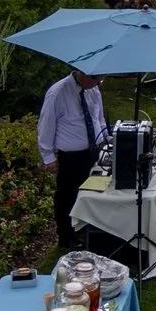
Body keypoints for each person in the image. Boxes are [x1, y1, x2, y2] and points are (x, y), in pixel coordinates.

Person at [38, 68, 107, 248]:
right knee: (67, 195)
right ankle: (66, 236)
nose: (97, 84)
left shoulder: (93, 89)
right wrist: (48, 156)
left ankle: (88, 229)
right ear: (84, 75)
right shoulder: (57, 93)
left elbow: (98, 117)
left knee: (93, 190)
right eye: (96, 80)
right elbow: (46, 124)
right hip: (71, 156)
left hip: (94, 150)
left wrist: (105, 138)